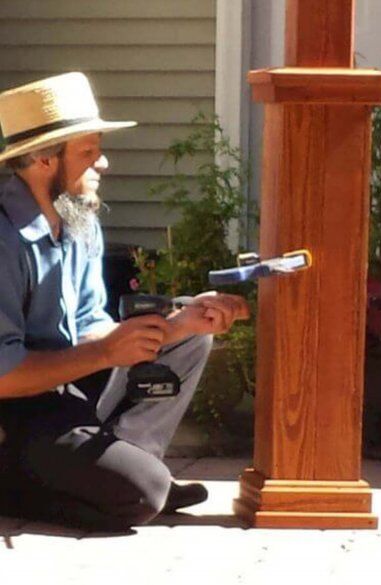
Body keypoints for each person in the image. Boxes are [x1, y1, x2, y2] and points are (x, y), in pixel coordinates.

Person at [0, 72, 250, 532]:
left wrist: (180, 325)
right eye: (88, 152)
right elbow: (6, 376)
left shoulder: (78, 219)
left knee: (188, 339)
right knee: (142, 497)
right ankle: (27, 484)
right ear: (41, 158)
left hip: (70, 388)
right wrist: (103, 352)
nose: (104, 163)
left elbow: (90, 324)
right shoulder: (3, 238)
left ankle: (123, 467)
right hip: (18, 412)